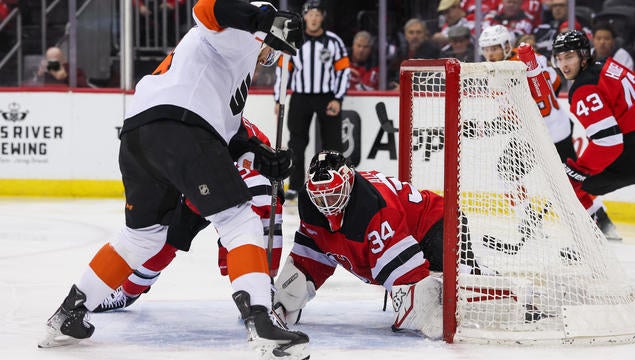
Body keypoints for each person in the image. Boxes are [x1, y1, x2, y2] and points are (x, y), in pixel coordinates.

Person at [39, 1, 310, 359]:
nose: (271, 54)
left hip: (139, 134)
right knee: (238, 219)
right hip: (181, 128)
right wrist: (264, 17)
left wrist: (261, 155)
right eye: (273, 44)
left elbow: (227, 136)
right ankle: (261, 323)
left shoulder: (223, 68)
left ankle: (69, 312)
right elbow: (206, 7)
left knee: (142, 236)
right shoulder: (239, 36)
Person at [271, 150, 492, 338]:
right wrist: (285, 298)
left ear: (348, 182)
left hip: (436, 226)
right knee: (291, 290)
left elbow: (410, 285)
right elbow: (309, 262)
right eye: (320, 197)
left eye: (333, 195)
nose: (327, 204)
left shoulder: (373, 208)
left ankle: (506, 295)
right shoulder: (311, 206)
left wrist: (416, 299)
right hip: (405, 229)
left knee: (442, 301)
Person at [93, 118, 285, 311]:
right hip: (205, 182)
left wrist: (266, 275)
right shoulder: (196, 121)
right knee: (172, 237)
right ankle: (128, 291)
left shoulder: (213, 122)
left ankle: (259, 299)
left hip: (239, 189)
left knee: (249, 240)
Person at [552, 30, 635, 240]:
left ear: (583, 56)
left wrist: (578, 170)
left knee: (568, 186)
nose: (564, 65)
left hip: (634, 152)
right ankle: (605, 230)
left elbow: (608, 142)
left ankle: (589, 244)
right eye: (560, 58)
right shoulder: (607, 65)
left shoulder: (584, 88)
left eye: (570, 56)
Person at [274, 0, 350, 201]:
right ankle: (296, 186)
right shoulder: (294, 40)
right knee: (296, 144)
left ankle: (332, 184)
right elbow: (283, 71)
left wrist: (338, 98)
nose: (314, 18)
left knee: (332, 144)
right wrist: (278, 98)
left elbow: (343, 72)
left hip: (327, 98)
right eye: (310, 14)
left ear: (322, 17)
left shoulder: (334, 42)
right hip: (301, 98)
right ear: (304, 16)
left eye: (317, 14)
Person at [479, 24, 576, 164]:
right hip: (560, 125)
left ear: (506, 46)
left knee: (507, 175)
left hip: (538, 134)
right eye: (486, 49)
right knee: (569, 178)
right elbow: (556, 81)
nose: (490, 54)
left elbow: (510, 119)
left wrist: (484, 129)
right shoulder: (535, 57)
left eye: (494, 48)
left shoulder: (504, 74)